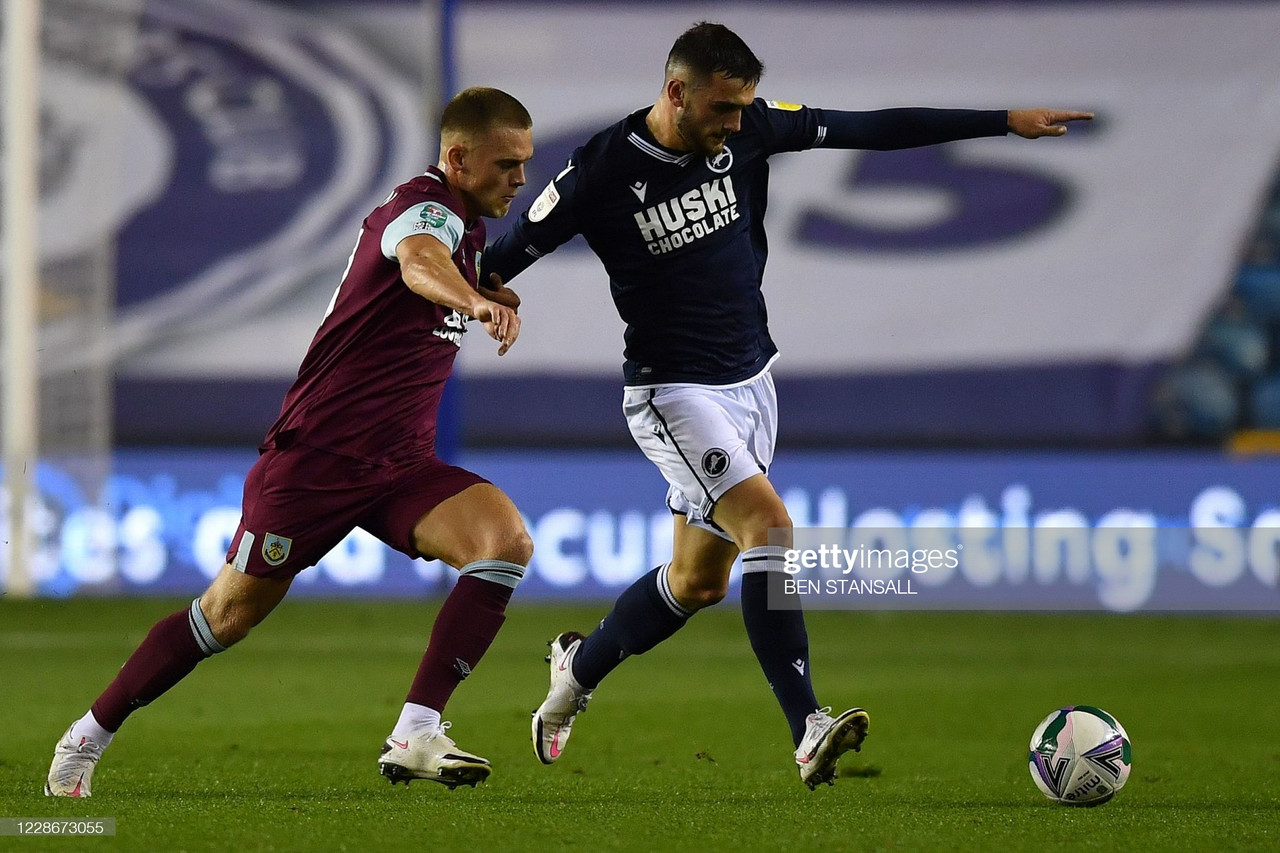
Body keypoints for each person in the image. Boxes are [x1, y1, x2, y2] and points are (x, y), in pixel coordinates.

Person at [482, 22, 1092, 789]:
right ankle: (808, 727)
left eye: (743, 108)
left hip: (750, 383)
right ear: (677, 93)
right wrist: (482, 295)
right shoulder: (599, 172)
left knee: (698, 582)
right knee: (770, 525)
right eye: (724, 108)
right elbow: (500, 256)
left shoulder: (753, 130)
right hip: (673, 392)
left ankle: (576, 669)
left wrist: (1002, 121)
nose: (738, 123)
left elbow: (872, 129)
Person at [45, 87, 536, 797]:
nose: (519, 179)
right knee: (226, 614)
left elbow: (439, 266)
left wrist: (481, 283)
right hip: (318, 459)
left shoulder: (469, 226)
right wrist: (474, 299)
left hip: (399, 464)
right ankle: (86, 736)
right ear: (458, 157)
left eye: (523, 165)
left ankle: (416, 730)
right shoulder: (426, 207)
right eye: (506, 165)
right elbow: (418, 260)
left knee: (504, 543)